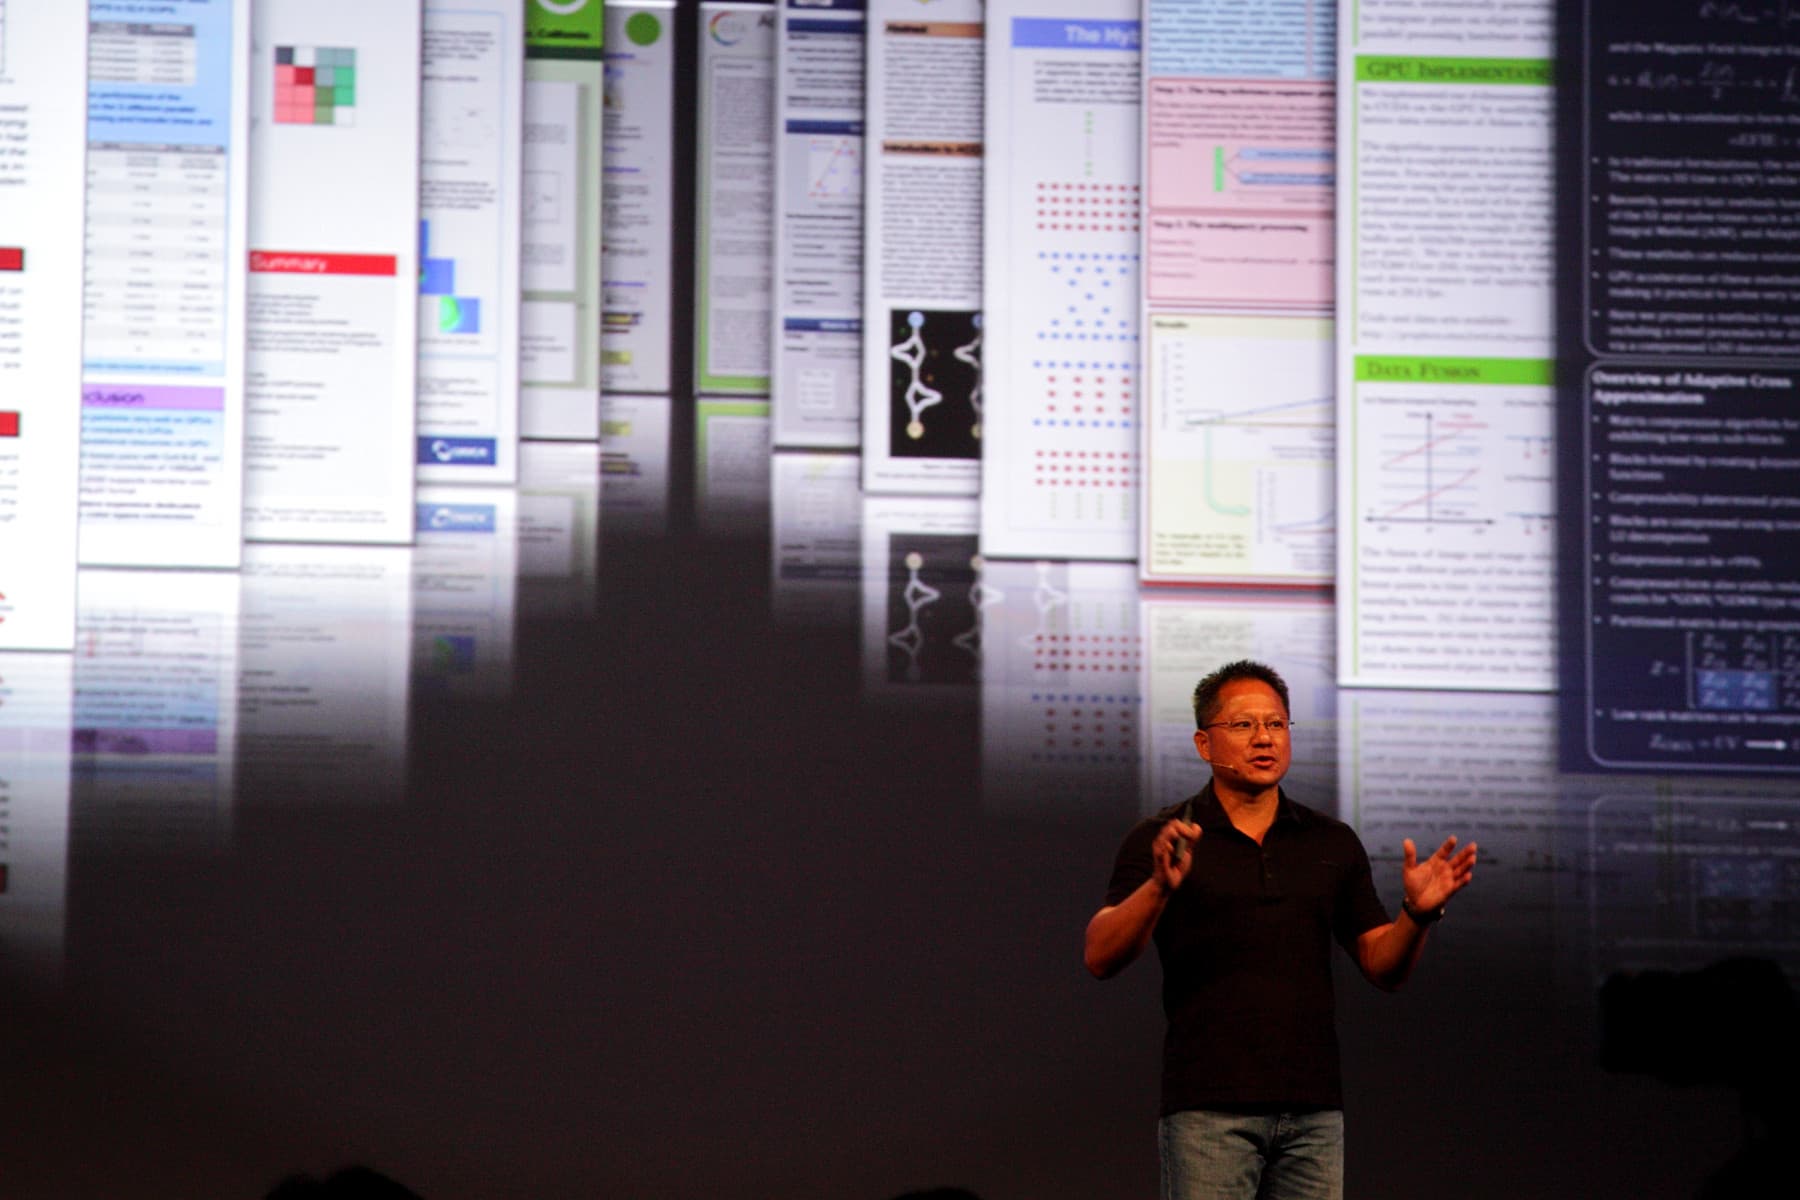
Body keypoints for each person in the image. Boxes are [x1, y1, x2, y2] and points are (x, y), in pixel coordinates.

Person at [1084, 660, 1477, 1200]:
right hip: (1208, 1112)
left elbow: (1382, 966)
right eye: (1243, 725)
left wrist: (1417, 913)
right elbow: (1099, 955)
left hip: (1314, 1115)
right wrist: (1159, 886)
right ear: (1204, 743)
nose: (1264, 738)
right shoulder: (1166, 837)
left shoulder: (1331, 842)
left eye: (1275, 723)